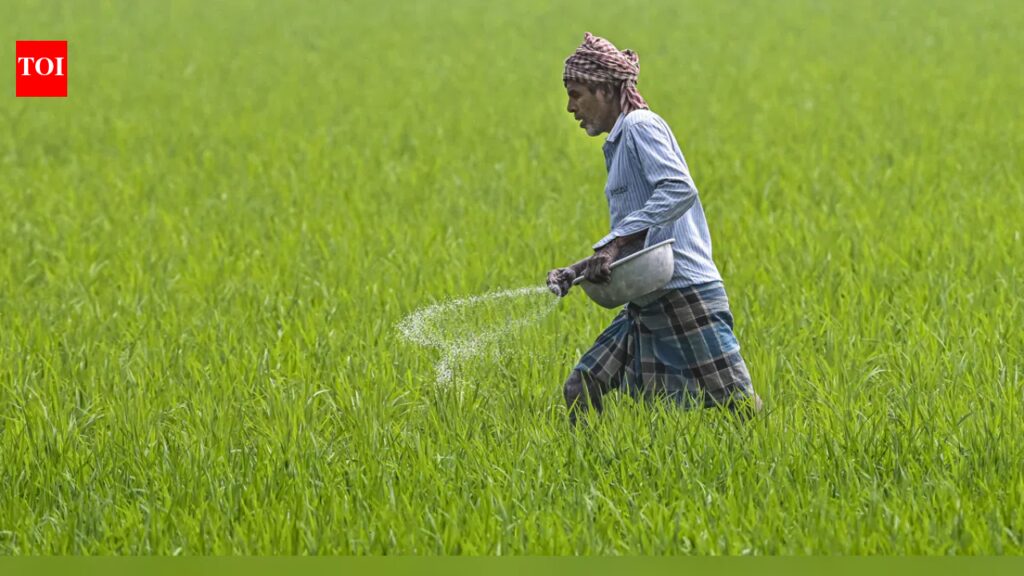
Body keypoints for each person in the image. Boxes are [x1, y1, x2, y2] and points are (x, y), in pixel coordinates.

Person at [547, 32, 762, 425]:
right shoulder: (618, 142)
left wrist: (611, 247)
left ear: (606, 90)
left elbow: (679, 188)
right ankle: (588, 469)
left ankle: (771, 460)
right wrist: (575, 272)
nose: (569, 107)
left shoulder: (641, 127)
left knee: (740, 407)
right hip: (647, 297)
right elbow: (636, 234)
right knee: (582, 385)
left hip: (685, 292)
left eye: (576, 94)